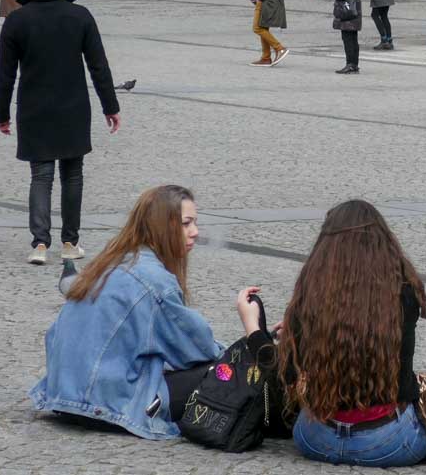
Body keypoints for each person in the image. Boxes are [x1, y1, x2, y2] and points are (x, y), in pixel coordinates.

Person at [28, 185, 265, 439]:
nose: (195, 232)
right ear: (161, 227)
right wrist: (253, 340)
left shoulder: (106, 263)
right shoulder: (154, 280)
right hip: (106, 406)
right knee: (223, 373)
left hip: (60, 395)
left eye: (195, 223)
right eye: (186, 224)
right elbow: (199, 349)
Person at [278, 200, 426, 468]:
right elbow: (403, 383)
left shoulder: (312, 292)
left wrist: (265, 332)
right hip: (387, 441)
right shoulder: (403, 292)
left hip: (317, 439)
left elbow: (290, 375)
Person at [0, 0, 122, 265]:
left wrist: (1, 114)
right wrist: (110, 106)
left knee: (41, 175)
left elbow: (5, 73)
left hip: (33, 107)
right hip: (73, 106)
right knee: (72, 174)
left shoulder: (17, 19)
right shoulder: (80, 16)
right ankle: (69, 242)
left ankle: (39, 243)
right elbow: (99, 66)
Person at [322, 0, 367, 74]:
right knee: (353, 39)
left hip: (347, 11)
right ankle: (354, 64)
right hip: (355, 9)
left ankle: (350, 64)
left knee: (348, 39)